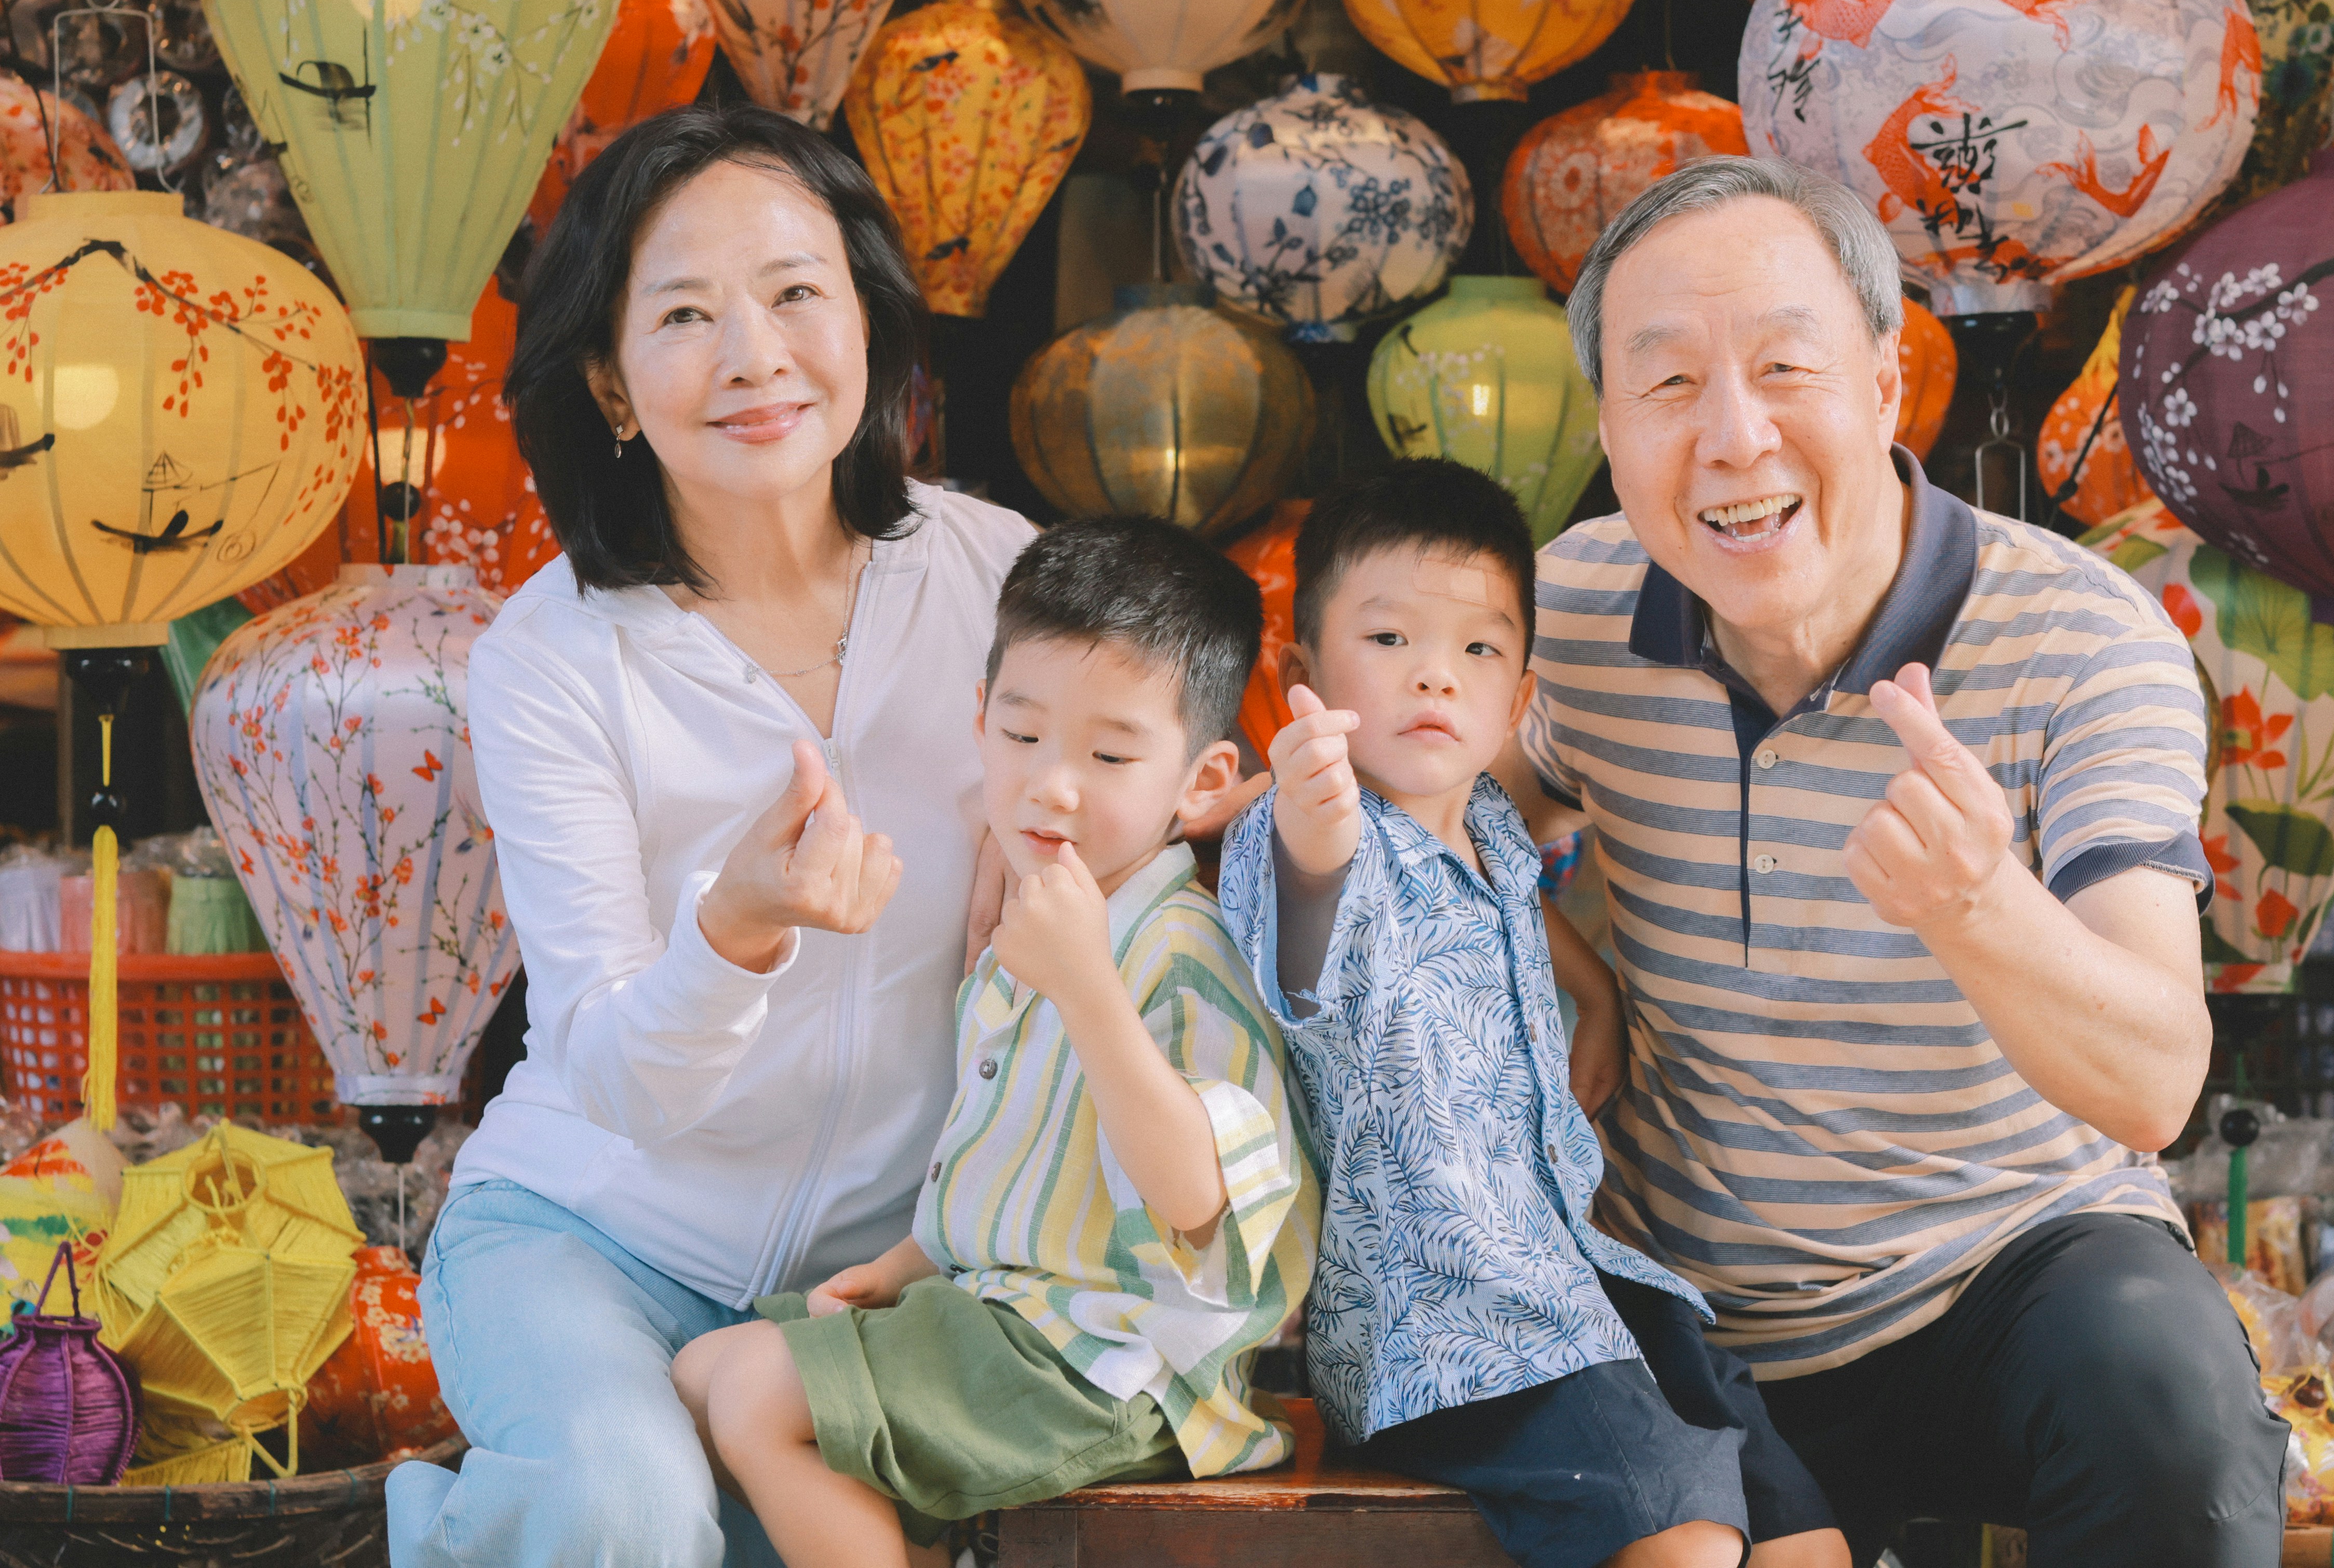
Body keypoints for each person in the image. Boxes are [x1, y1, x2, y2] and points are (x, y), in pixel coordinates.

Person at [1491, 155, 2289, 1566]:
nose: (1734, 438)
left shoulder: (2086, 642)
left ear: (1883, 380)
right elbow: (1425, 821)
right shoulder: (1569, 619)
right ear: (1609, 430)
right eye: (1668, 384)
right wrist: (1570, 960)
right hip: (1696, 1300)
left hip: (2011, 1268)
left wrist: (1980, 908)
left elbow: (2158, 1076)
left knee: (2173, 1411)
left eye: (1785, 365)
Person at [384, 106, 1036, 1568]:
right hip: (590, 1237)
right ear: (612, 383)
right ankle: (472, 1529)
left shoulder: (1006, 578)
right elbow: (612, 1067)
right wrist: (736, 927)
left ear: (867, 319)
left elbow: (1135, 836)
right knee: (625, 1510)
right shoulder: (550, 653)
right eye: (685, 313)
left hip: (871, 1281)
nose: (755, 353)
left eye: (798, 291)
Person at [1217, 459, 1847, 1568]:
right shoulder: (1311, 834)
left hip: (1579, 1281)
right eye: (1388, 641)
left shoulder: (1495, 823)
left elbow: (1506, 900)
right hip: (1442, 1333)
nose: (1435, 678)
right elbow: (1317, 894)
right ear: (1303, 670)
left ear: (1518, 695)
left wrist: (1595, 985)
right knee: (1686, 1536)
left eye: (1476, 649)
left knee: (1805, 1528)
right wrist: (1307, 817)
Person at [669, 517, 1319, 1568]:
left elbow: (1201, 1196)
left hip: (1118, 1364)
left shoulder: (1174, 945)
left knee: (754, 1392)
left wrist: (1087, 987)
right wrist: (905, 1260)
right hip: (1007, 1315)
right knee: (702, 1367)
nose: (1051, 783)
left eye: (1110, 753)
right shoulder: (1026, 924)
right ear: (979, 723)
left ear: (1199, 782)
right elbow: (1027, 1173)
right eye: (1021, 736)